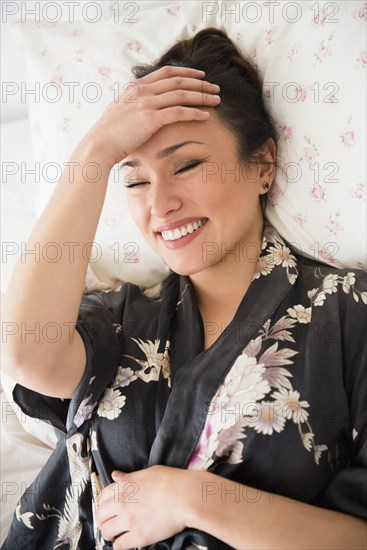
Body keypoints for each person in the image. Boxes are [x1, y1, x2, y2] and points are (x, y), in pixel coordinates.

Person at [1, 27, 366, 550]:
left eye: (188, 164)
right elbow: (23, 351)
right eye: (135, 180)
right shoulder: (124, 319)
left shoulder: (349, 316)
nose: (159, 205)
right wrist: (95, 152)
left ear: (262, 164)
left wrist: (194, 499)